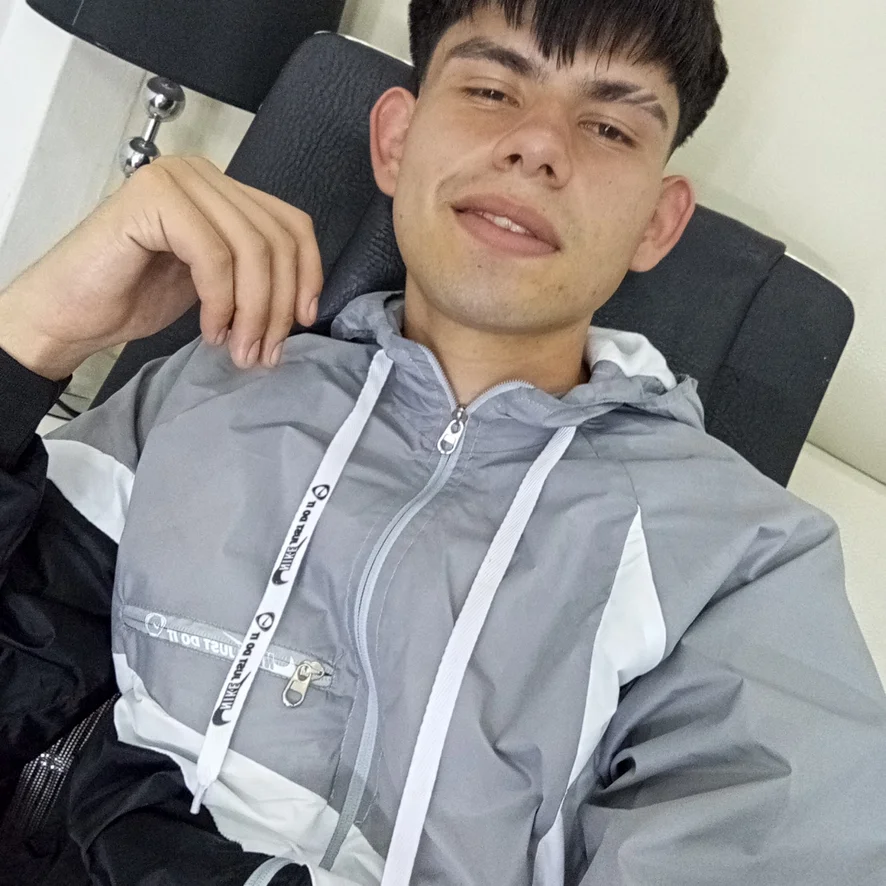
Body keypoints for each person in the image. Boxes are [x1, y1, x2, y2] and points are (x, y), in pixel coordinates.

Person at [1, 0, 884, 884]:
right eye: (492, 89)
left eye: (610, 127)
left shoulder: (744, 557)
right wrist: (31, 334)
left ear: (657, 221)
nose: (538, 145)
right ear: (395, 140)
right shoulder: (209, 388)